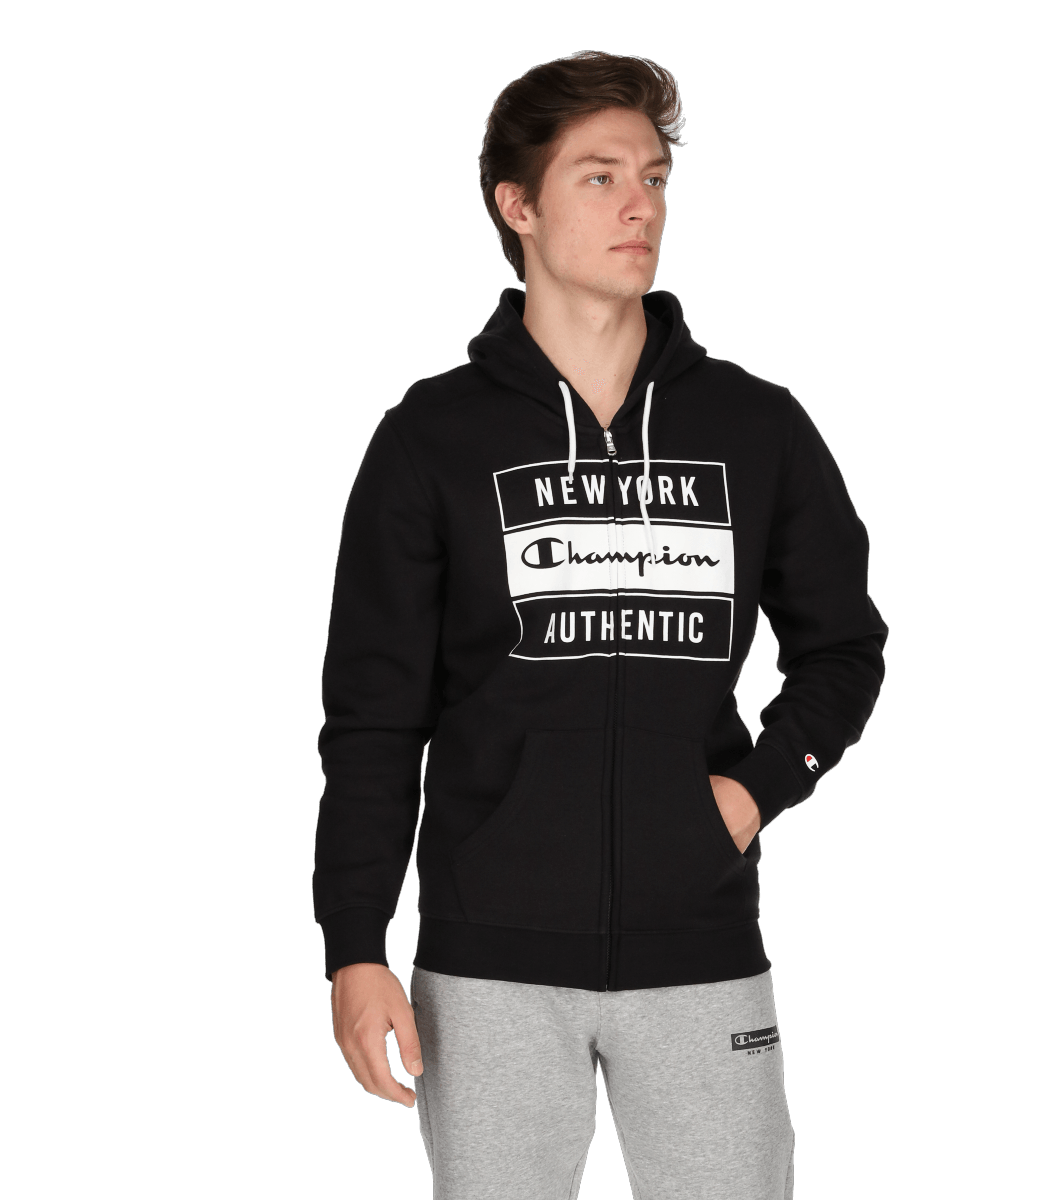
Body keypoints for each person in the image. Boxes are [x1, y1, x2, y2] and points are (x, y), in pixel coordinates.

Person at [314, 50, 887, 1199]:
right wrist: (353, 947)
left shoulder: (755, 426)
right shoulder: (432, 439)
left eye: (656, 178)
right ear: (517, 206)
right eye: (600, 176)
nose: (641, 206)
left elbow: (844, 647)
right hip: (487, 972)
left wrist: (751, 794)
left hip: (703, 956)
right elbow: (372, 720)